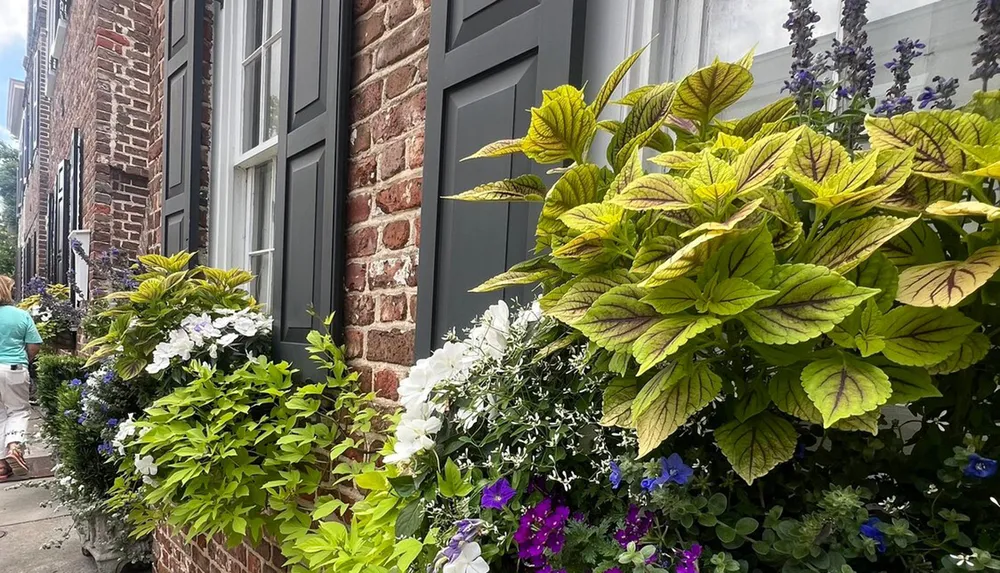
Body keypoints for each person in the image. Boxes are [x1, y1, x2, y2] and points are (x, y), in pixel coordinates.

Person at [0, 276, 41, 479]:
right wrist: (25, 360)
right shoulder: (20, 315)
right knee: (17, 411)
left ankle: (1, 466)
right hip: (14, 369)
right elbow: (34, 344)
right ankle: (14, 445)